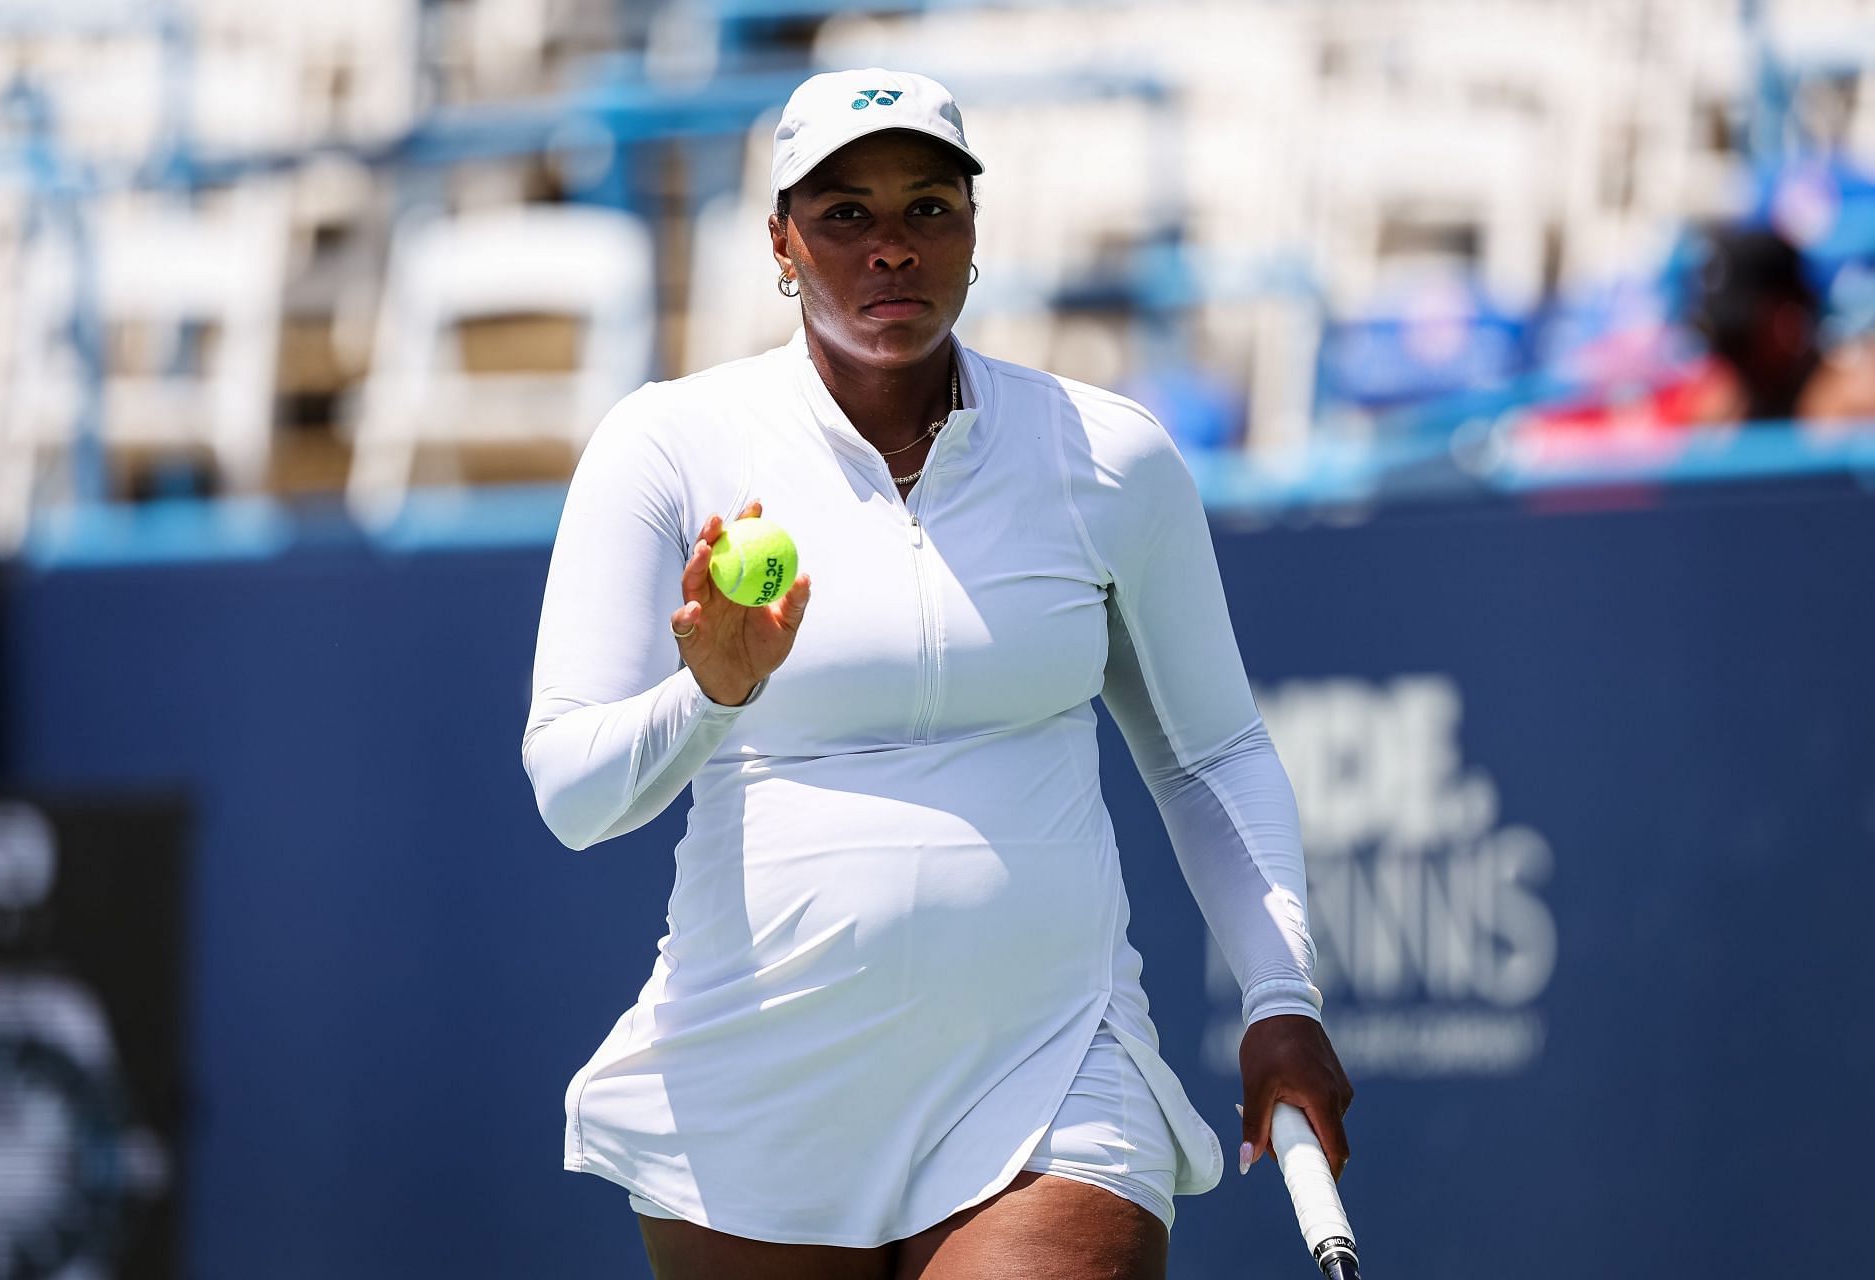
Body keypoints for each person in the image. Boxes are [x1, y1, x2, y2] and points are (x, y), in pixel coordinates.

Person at [522, 68, 1352, 1280]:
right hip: (757, 1079)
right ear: (782, 243)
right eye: (846, 213)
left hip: (1050, 1063)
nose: (892, 248)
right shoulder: (666, 444)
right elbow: (570, 789)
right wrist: (713, 691)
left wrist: (1284, 993)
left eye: (929, 208)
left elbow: (1208, 751)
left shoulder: (1111, 457)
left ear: (974, 233)